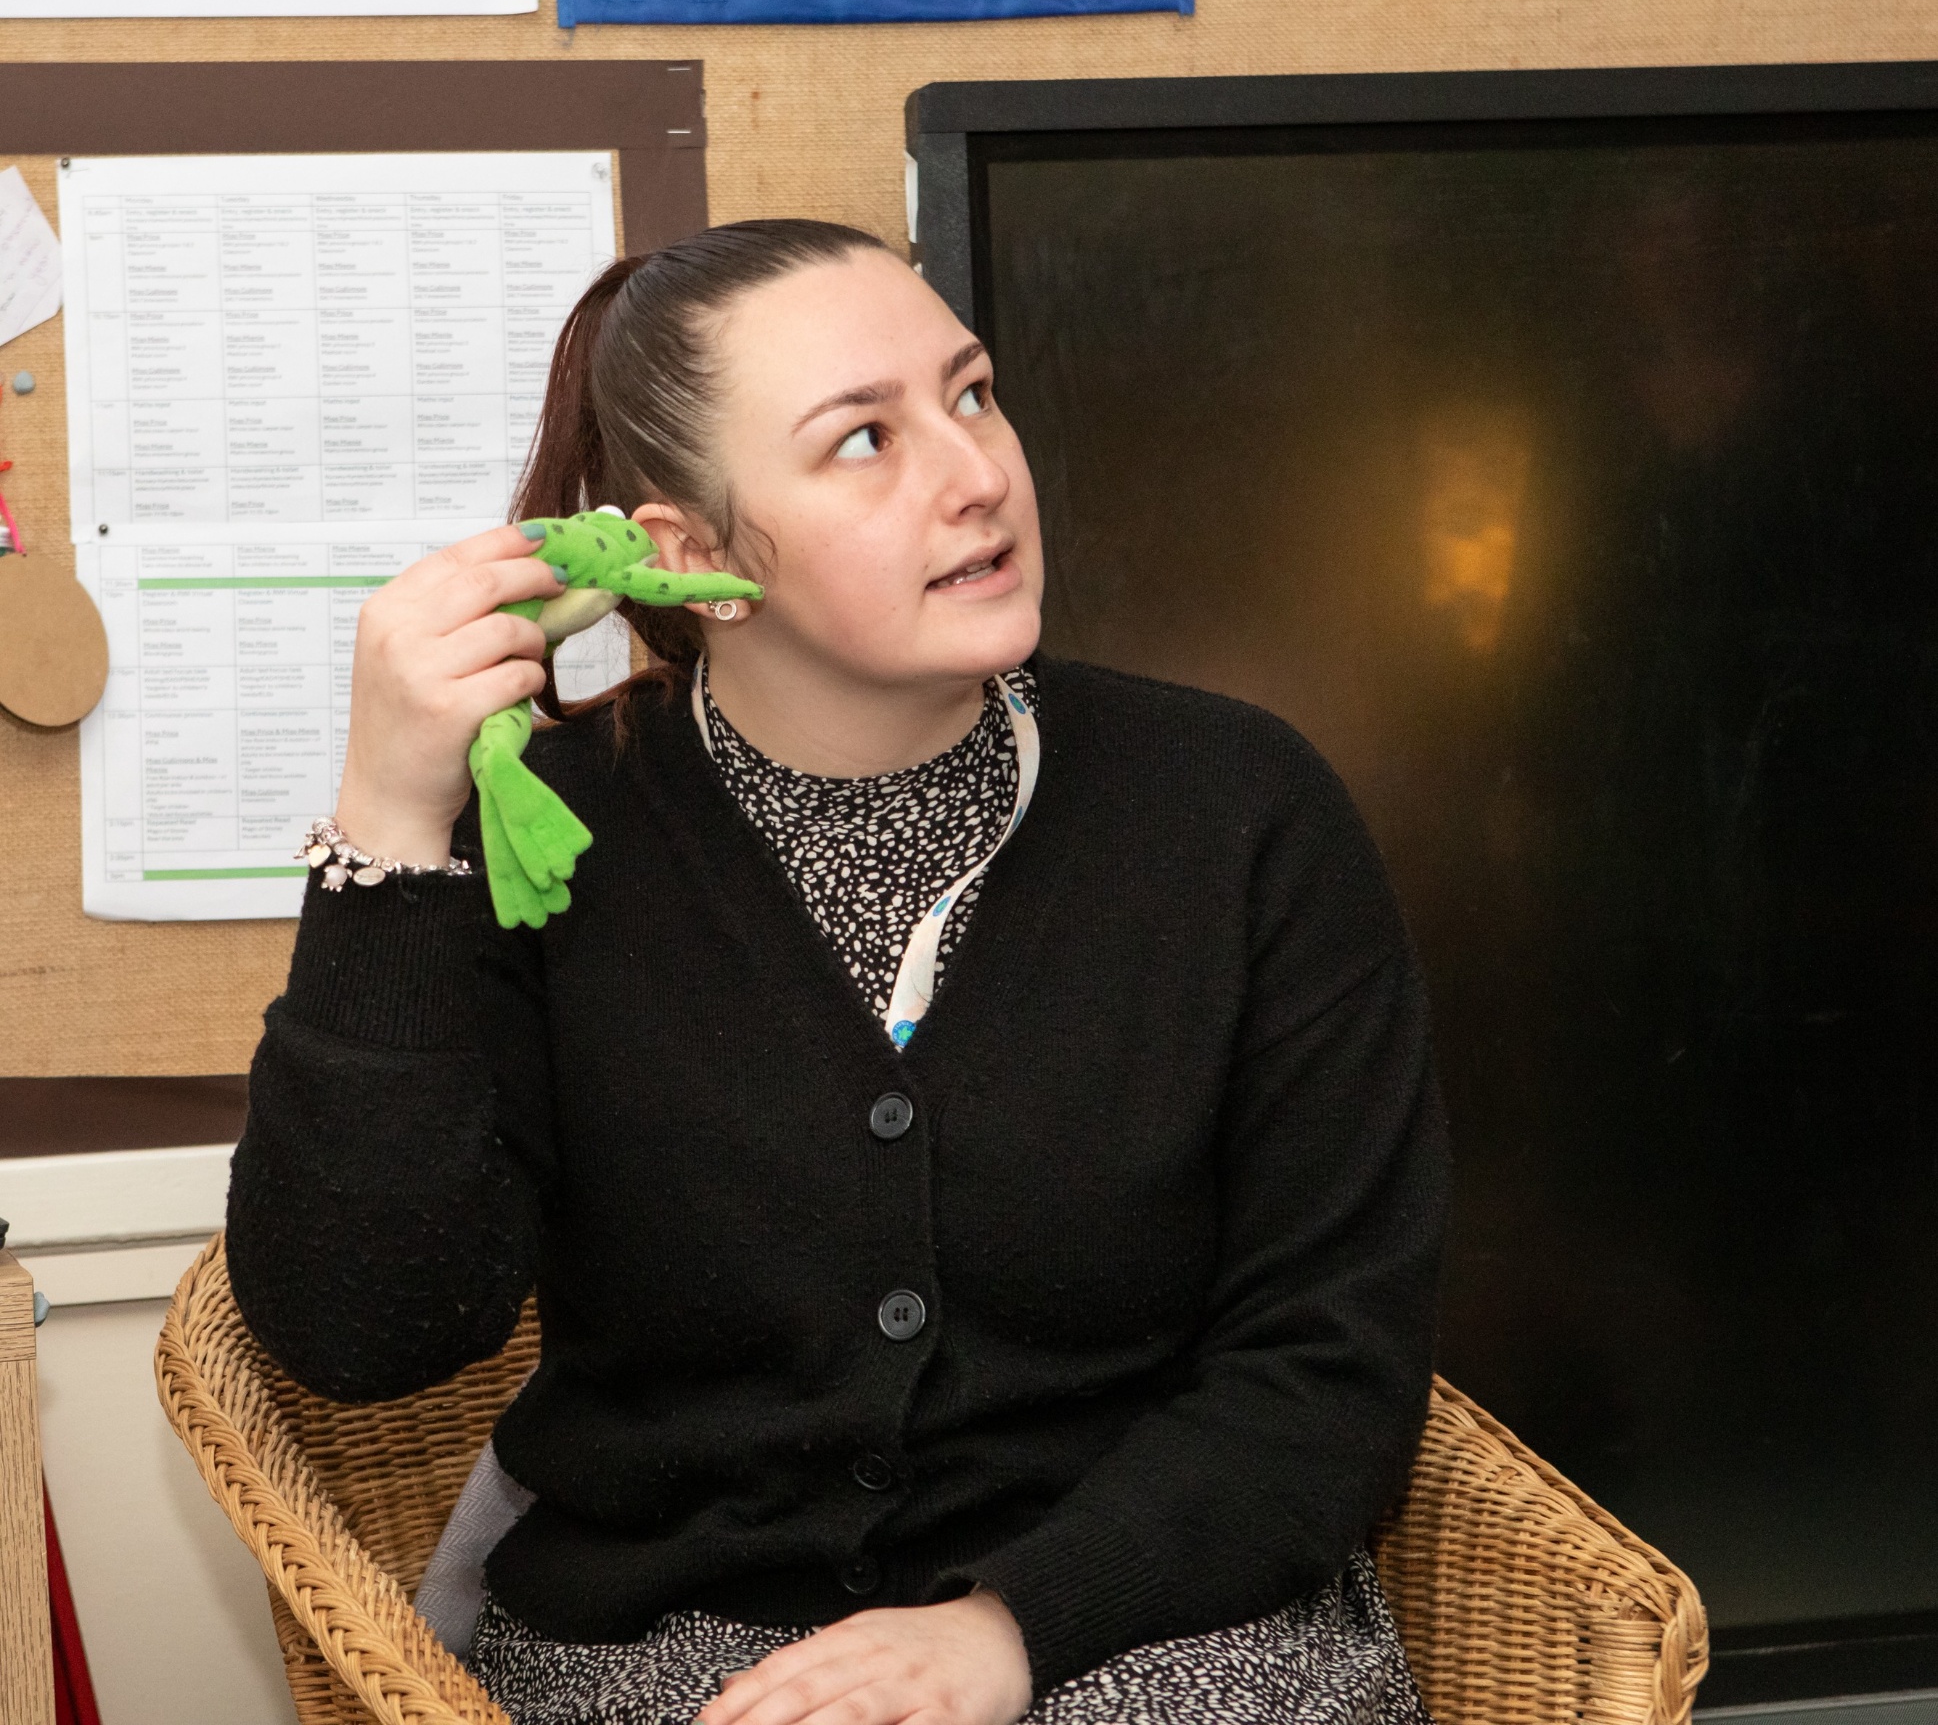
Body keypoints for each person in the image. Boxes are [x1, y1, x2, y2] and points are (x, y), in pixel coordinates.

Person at [226, 219, 1450, 1725]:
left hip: (1153, 1622)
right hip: (675, 1649)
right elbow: (363, 1332)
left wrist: (1006, 1631)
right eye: (864, 439)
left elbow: (1330, 1356)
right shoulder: (546, 846)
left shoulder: (1237, 807)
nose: (976, 472)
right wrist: (388, 829)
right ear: (691, 555)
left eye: (973, 393)